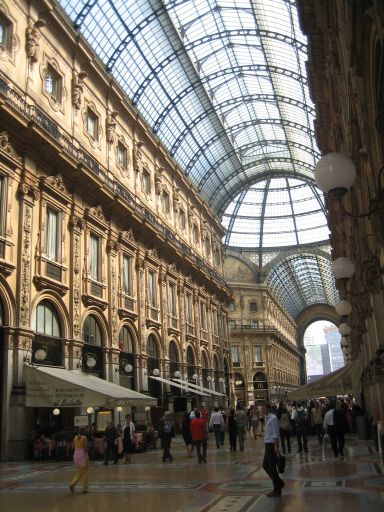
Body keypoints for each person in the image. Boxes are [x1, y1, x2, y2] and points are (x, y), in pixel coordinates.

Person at [261, 402, 285, 498]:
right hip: (267, 444)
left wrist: (276, 446)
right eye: (261, 408)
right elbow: (269, 432)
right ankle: (279, 483)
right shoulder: (267, 418)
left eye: (264, 408)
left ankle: (277, 490)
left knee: (272, 467)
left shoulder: (273, 418)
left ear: (268, 408)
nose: (262, 410)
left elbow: (275, 433)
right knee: (265, 465)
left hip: (272, 445)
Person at [69, 427, 89, 494]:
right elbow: (86, 448)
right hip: (83, 455)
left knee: (80, 471)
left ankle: (73, 483)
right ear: (84, 431)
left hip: (76, 455)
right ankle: (84, 489)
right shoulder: (84, 438)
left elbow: (72, 446)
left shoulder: (75, 437)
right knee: (85, 473)